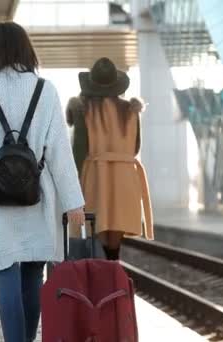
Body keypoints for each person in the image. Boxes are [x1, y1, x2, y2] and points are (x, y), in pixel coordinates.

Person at [0, 22, 85, 342]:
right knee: (33, 276)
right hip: (38, 196)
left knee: (5, 275)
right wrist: (73, 203)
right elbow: (60, 155)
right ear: (27, 50)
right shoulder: (46, 90)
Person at [66, 57, 154, 261]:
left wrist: (72, 185)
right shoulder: (131, 110)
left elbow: (80, 149)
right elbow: (135, 147)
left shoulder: (84, 109)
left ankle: (101, 279)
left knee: (97, 230)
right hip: (125, 178)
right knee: (115, 238)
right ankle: (113, 275)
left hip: (96, 176)